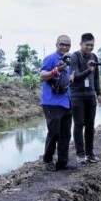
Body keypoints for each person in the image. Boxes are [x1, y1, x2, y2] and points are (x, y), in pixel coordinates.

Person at [39, 35, 76, 172]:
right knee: (54, 133)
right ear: (56, 44)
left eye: (67, 45)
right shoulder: (51, 58)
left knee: (66, 133)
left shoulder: (69, 61)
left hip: (66, 101)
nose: (64, 47)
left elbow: (66, 81)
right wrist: (56, 70)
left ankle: (63, 162)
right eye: (62, 44)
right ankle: (48, 160)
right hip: (51, 102)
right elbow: (42, 76)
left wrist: (71, 78)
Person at [69, 32, 101, 164]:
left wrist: (98, 94)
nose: (89, 47)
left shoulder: (94, 56)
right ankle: (80, 154)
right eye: (87, 45)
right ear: (81, 44)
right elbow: (75, 77)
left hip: (90, 96)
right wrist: (89, 69)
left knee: (90, 125)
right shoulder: (75, 57)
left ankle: (90, 153)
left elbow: (96, 78)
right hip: (77, 96)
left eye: (92, 45)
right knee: (79, 124)